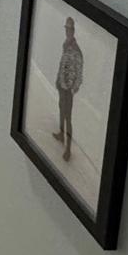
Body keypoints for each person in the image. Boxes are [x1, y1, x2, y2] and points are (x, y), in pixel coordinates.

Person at [52, 16, 84, 161]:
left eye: (69, 29)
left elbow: (79, 73)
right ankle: (61, 134)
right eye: (66, 29)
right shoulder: (65, 44)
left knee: (68, 117)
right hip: (62, 85)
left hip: (68, 89)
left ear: (73, 31)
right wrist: (58, 79)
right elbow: (62, 63)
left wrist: (73, 89)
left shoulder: (76, 50)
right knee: (61, 109)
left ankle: (68, 150)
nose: (67, 31)